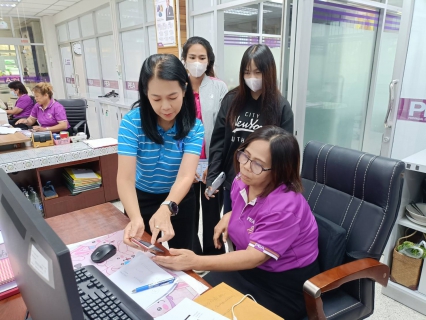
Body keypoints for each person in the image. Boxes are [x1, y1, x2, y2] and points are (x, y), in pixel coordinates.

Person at [153, 126, 319, 320]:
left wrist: (195, 260)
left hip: (281, 286)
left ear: (279, 171)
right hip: (246, 271)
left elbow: (254, 257)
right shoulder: (242, 181)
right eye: (245, 155)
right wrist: (230, 215)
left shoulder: (285, 207)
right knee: (191, 299)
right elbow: (252, 209)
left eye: (258, 164)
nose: (246, 166)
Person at [117, 54, 204, 253]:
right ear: (146, 94)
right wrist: (136, 217)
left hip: (179, 199)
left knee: (181, 257)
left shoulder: (194, 127)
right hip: (141, 198)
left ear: (184, 89)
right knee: (140, 254)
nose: (165, 106)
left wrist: (167, 207)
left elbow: (185, 176)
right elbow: (125, 179)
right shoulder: (132, 123)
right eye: (156, 98)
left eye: (172, 97)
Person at [206, 44, 294, 214]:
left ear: (268, 72)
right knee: (231, 231)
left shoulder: (281, 107)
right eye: (247, 72)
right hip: (232, 182)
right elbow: (218, 142)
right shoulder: (231, 100)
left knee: (256, 235)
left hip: (263, 188)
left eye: (257, 72)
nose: (252, 77)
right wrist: (213, 176)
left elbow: (284, 155)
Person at [182, 36, 228, 255]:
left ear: (209, 61)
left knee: (211, 212)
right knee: (188, 212)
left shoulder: (219, 88)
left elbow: (224, 129)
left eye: (202, 57)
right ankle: (193, 256)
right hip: (185, 162)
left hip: (212, 161)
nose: (197, 62)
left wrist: (216, 164)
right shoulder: (177, 87)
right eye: (192, 57)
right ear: (184, 59)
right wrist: (186, 168)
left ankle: (213, 257)